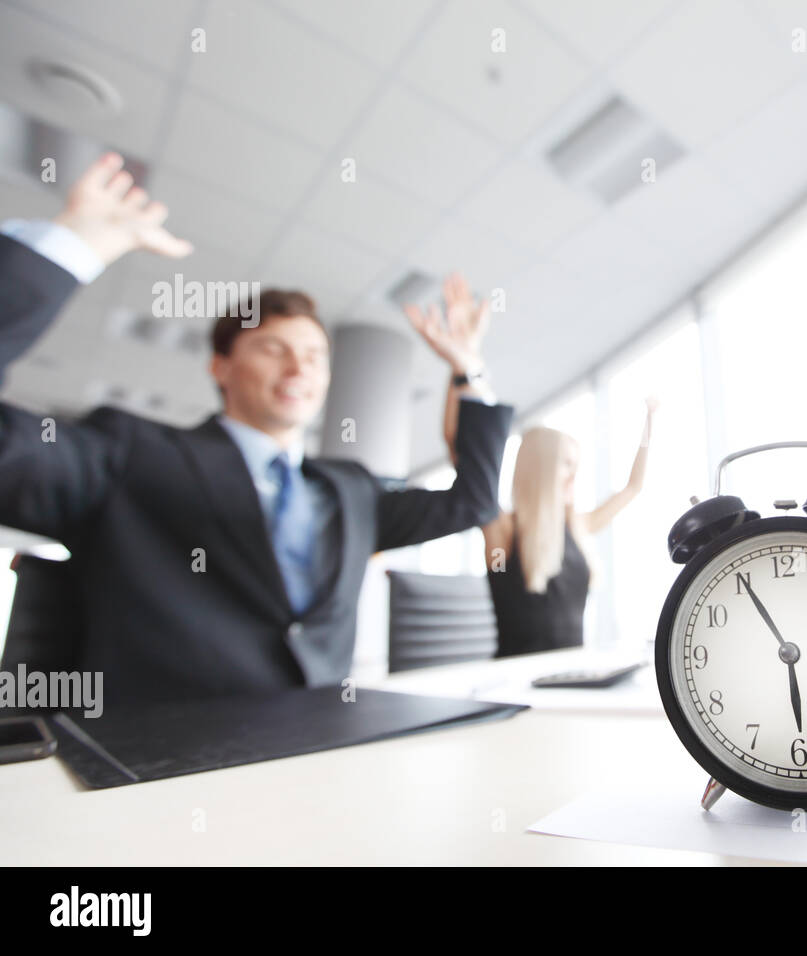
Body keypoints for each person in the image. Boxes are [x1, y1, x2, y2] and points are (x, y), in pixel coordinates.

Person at [0, 153, 513, 703]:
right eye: (274, 349)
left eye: (315, 356)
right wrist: (66, 248)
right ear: (221, 366)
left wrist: (468, 370)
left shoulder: (351, 490)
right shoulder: (130, 454)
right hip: (155, 766)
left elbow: (474, 502)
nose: (299, 369)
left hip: (313, 753)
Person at [408, 287, 657, 656]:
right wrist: (461, 364)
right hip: (516, 684)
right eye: (566, 466)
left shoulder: (578, 526)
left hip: (575, 676)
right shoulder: (502, 530)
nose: (574, 477)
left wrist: (650, 422)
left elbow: (632, 488)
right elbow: (458, 445)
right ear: (539, 469)